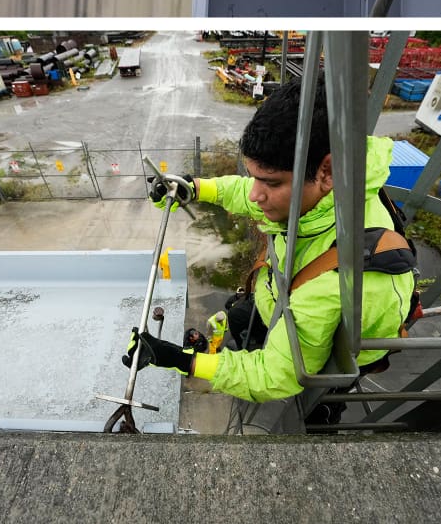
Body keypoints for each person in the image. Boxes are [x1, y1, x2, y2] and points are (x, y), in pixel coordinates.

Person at [123, 80, 418, 434]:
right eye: (254, 177)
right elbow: (251, 192)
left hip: (320, 364)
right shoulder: (326, 193)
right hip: (282, 303)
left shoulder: (344, 280)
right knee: (240, 316)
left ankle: (320, 417)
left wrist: (181, 360)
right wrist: (195, 187)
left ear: (327, 171)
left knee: (281, 420)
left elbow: (274, 375)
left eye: (271, 183)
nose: (256, 195)